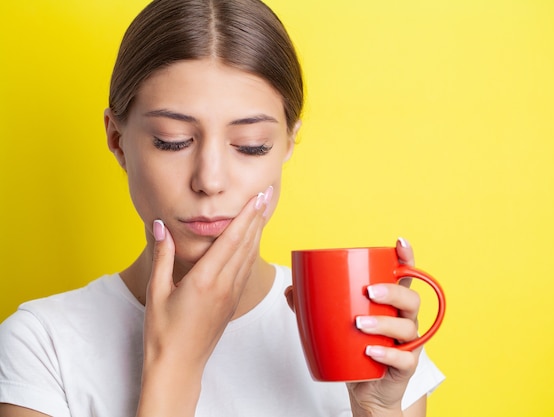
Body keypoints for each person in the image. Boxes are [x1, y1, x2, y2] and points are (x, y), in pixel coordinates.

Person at [0, 0, 444, 416]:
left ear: (287, 144)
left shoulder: (372, 340)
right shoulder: (42, 345)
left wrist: (378, 411)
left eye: (250, 147)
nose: (210, 180)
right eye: (172, 141)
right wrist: (173, 371)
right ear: (117, 139)